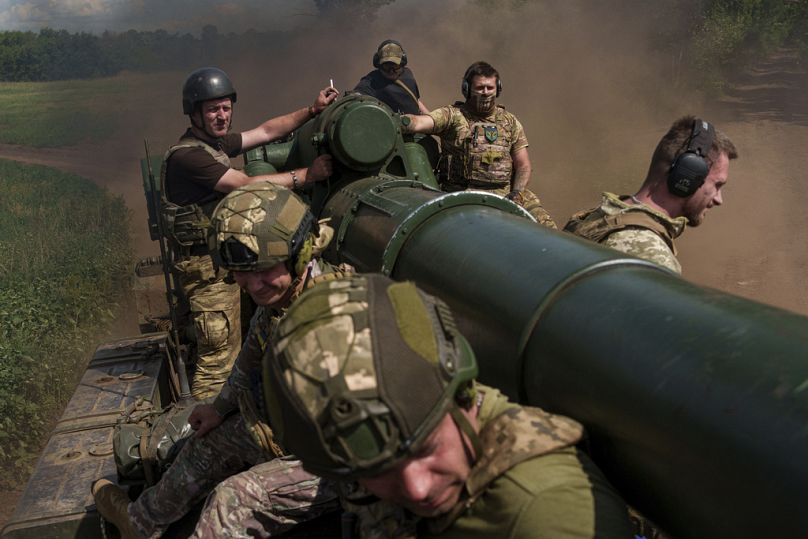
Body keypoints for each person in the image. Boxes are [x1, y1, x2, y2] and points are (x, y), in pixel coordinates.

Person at [258, 273, 634, 538]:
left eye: (426, 447)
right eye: (377, 471)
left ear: (463, 394)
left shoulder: (543, 512)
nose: (418, 488)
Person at [92, 183, 347, 539]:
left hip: (350, 463)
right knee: (205, 444)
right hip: (296, 431)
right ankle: (141, 522)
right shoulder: (283, 298)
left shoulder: (339, 319)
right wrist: (220, 407)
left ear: (300, 254)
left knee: (233, 499)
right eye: (241, 272)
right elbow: (250, 357)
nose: (252, 285)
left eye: (263, 270)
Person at [161, 66, 338, 399]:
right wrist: (306, 175)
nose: (222, 115)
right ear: (195, 114)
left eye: (226, 108)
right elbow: (242, 184)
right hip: (207, 276)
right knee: (217, 366)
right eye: (213, 109)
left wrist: (312, 110)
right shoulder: (187, 157)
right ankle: (202, 435)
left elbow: (267, 131)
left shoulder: (213, 145)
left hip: (225, 267)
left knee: (241, 350)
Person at [564, 116, 738, 274]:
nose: (718, 199)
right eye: (717, 185)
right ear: (687, 176)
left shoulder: (600, 216)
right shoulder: (651, 257)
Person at [402, 61, 556, 228]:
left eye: (490, 88)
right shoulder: (453, 116)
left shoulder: (510, 122)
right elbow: (420, 123)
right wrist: (401, 121)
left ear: (498, 89)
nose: (485, 93)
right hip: (464, 196)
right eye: (480, 87)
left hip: (506, 196)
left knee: (547, 228)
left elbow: (523, 165)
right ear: (467, 89)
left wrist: (517, 193)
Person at [354, 40, 430, 115]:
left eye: (395, 65)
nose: (391, 71)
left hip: (417, 124)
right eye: (386, 65)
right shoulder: (371, 82)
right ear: (378, 64)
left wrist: (430, 117)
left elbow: (416, 100)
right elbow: (354, 99)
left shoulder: (408, 75)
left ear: (402, 63)